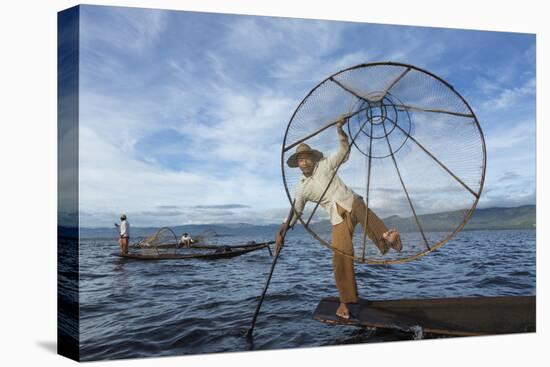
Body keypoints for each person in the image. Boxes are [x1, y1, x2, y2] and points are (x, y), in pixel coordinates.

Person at [275, 117, 402, 319]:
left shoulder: (325, 164)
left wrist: (339, 130)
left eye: (307, 157)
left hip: (351, 202)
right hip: (338, 217)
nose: (304, 161)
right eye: (300, 159)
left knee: (363, 209)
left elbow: (343, 151)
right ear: (298, 164)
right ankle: (345, 302)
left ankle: (387, 238)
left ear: (312, 158)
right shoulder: (302, 187)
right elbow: (296, 211)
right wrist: (282, 230)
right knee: (340, 255)